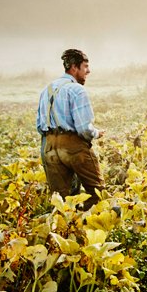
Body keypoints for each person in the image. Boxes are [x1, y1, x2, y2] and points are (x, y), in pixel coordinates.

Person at [36, 48, 106, 209]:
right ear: (74, 68)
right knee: (97, 194)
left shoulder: (46, 90)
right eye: (85, 67)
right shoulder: (77, 90)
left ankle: (64, 230)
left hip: (49, 147)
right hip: (73, 146)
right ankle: (90, 225)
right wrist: (96, 133)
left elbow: (39, 126)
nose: (88, 71)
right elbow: (83, 128)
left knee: (61, 202)